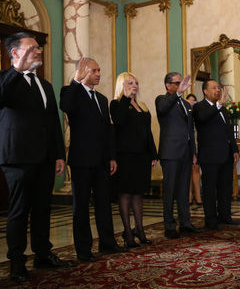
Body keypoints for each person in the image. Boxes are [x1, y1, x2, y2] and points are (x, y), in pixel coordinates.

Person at [0, 32, 73, 282]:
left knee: (43, 208)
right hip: (18, 157)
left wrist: (58, 154)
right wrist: (16, 69)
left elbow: (53, 122)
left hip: (45, 158)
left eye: (38, 48)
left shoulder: (45, 85)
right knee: (19, 210)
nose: (38, 51)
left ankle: (43, 254)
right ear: (15, 52)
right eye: (32, 48)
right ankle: (17, 263)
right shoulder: (5, 79)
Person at [60, 57, 127, 262]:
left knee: (103, 203)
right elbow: (66, 106)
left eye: (99, 70)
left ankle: (108, 242)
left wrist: (112, 156)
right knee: (81, 206)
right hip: (81, 160)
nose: (99, 74)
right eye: (94, 71)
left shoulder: (102, 99)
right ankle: (83, 249)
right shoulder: (70, 92)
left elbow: (108, 131)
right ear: (83, 72)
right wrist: (76, 81)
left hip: (101, 161)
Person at [110, 73, 158, 247]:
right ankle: (127, 233)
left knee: (139, 192)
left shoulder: (142, 106)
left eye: (136, 83)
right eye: (130, 83)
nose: (134, 85)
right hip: (125, 156)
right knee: (126, 193)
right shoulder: (116, 104)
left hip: (142, 156)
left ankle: (139, 229)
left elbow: (148, 132)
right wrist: (126, 98)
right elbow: (119, 121)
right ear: (121, 85)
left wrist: (153, 153)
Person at [155, 72, 201, 238]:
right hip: (170, 152)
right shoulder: (162, 99)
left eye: (182, 83)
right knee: (170, 190)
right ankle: (169, 225)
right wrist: (178, 93)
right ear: (168, 85)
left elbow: (190, 130)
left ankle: (186, 223)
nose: (181, 85)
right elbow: (163, 109)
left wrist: (193, 152)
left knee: (183, 190)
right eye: (177, 83)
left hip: (186, 153)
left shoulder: (186, 104)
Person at [193, 79, 240, 230]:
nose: (217, 90)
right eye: (214, 88)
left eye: (218, 88)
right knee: (210, 189)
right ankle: (211, 220)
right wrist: (219, 105)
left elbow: (228, 131)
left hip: (226, 155)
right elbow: (203, 119)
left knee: (225, 188)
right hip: (210, 156)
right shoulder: (199, 107)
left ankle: (225, 216)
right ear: (205, 91)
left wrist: (235, 149)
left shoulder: (223, 109)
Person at [186, 93, 202, 207]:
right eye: (189, 101)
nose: (192, 103)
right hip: (186, 146)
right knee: (187, 172)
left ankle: (198, 196)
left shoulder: (198, 114)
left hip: (197, 144)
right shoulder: (183, 113)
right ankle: (189, 196)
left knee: (196, 169)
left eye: (194, 101)